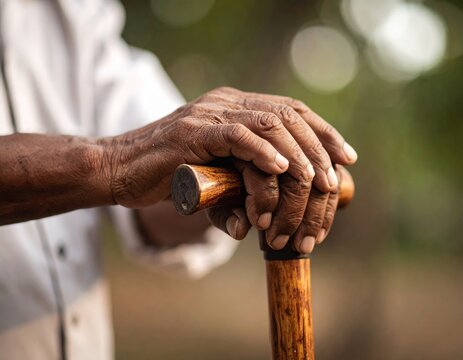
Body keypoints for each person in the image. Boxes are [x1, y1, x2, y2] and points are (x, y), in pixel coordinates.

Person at [0, 0, 357, 359]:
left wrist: (242, 175)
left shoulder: (77, 11)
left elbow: (159, 191)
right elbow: (133, 160)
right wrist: (116, 161)